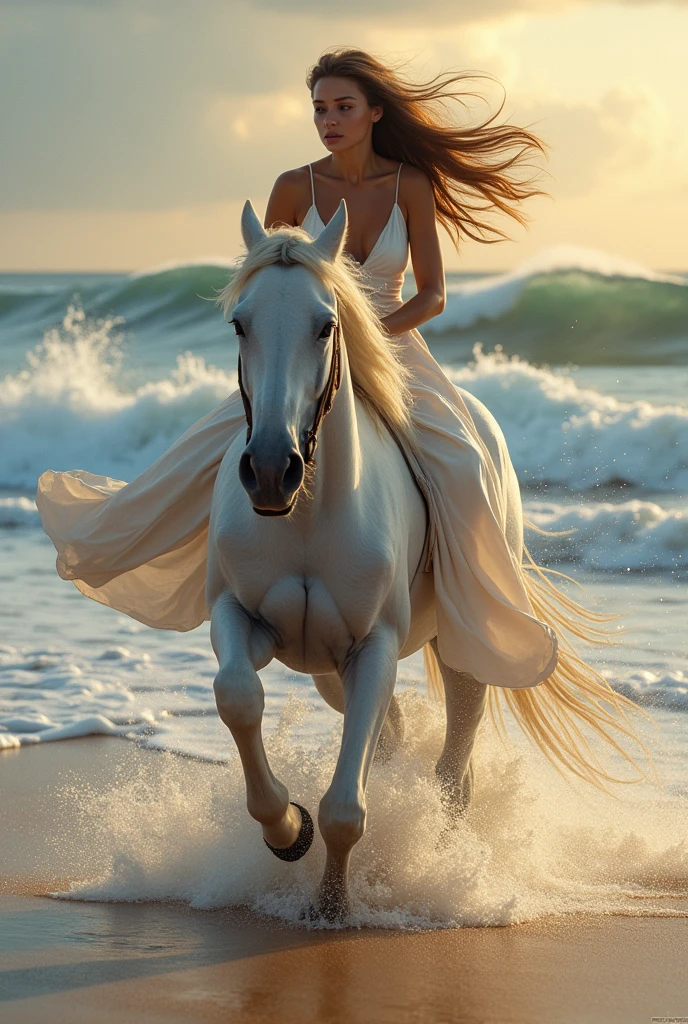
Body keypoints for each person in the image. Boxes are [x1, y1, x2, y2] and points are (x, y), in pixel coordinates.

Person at [36, 47, 558, 689]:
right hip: (304, 353)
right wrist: (313, 346)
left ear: (374, 113)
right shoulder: (293, 187)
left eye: (343, 107)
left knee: (466, 465)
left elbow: (432, 295)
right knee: (201, 458)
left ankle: (477, 612)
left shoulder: (410, 186)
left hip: (393, 353)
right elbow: (272, 289)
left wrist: (361, 341)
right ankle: (168, 555)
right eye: (319, 109)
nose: (329, 120)